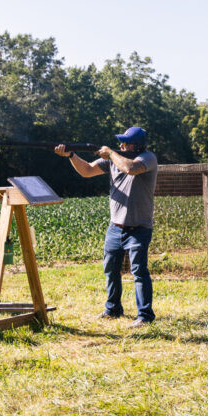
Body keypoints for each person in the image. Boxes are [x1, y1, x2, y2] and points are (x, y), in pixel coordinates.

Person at [55, 126, 158, 327]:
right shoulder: (113, 159)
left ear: (137, 145)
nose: (120, 145)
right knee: (111, 269)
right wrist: (71, 155)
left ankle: (145, 316)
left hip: (139, 228)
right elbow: (86, 171)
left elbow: (132, 169)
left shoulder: (147, 158)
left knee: (139, 272)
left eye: (125, 142)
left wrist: (110, 153)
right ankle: (113, 309)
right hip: (115, 227)